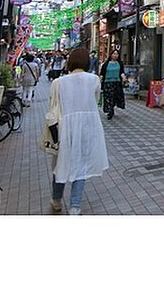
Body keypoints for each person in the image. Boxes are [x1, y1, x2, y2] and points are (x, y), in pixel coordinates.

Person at [46, 47, 109, 215]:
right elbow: (95, 100)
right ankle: (75, 207)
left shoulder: (58, 82)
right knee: (81, 166)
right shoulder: (94, 80)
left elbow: (53, 106)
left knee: (61, 164)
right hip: (88, 127)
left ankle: (56, 200)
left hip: (63, 127)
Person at [99, 49, 125, 120]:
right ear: (111, 55)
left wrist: (124, 78)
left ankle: (112, 108)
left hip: (117, 83)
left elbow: (122, 72)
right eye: (114, 54)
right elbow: (102, 74)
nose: (115, 55)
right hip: (107, 83)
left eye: (117, 54)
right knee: (108, 97)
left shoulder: (120, 63)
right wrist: (99, 82)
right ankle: (110, 111)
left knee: (115, 97)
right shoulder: (106, 64)